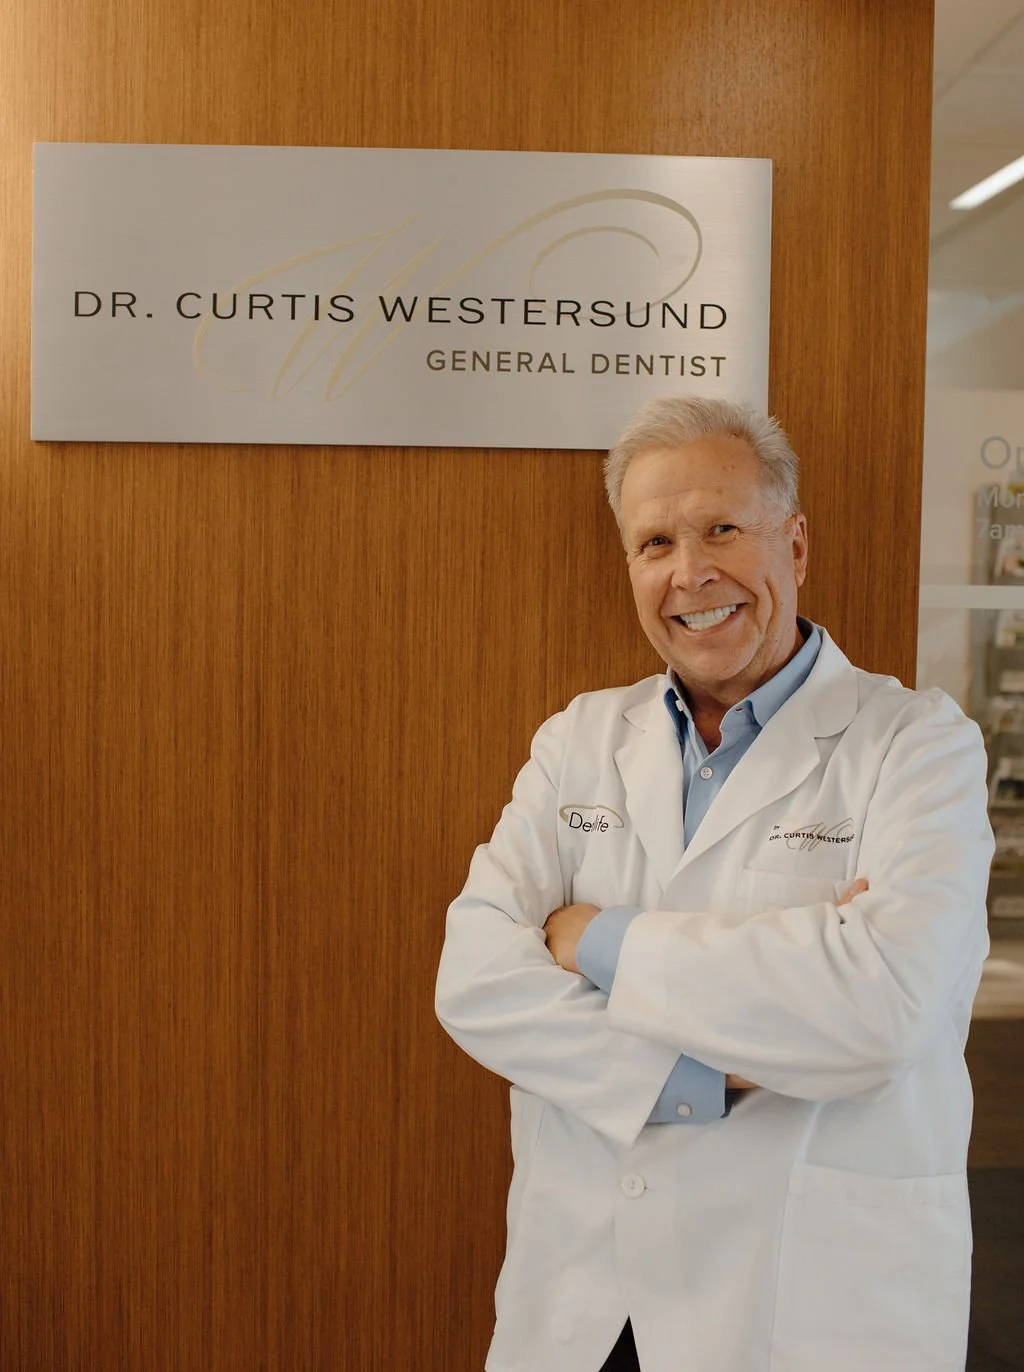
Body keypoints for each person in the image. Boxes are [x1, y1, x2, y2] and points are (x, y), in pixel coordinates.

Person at [435, 395, 993, 1372]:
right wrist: (710, 1073)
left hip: (806, 1303)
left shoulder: (916, 746)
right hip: (589, 1301)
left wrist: (593, 939)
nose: (690, 572)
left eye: (722, 530)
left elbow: (880, 1007)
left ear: (795, 545)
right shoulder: (578, 740)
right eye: (655, 542)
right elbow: (476, 982)